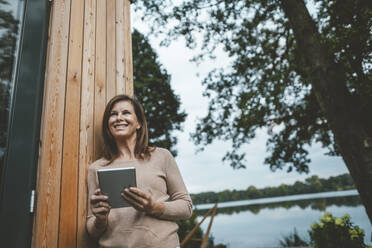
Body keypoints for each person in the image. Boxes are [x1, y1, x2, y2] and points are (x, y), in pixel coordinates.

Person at [86, 94, 193, 248]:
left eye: (126, 113)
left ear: (139, 123)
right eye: (113, 114)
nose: (118, 118)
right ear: (108, 124)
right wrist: (100, 220)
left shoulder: (162, 156)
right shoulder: (96, 168)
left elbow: (186, 207)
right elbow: (91, 229)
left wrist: (154, 207)